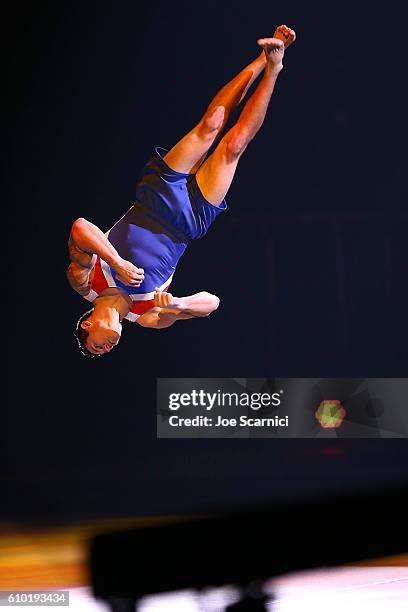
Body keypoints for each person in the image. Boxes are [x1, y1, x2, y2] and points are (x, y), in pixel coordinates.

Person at [67, 25, 296, 357]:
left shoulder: (85, 282)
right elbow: (211, 303)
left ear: (87, 325)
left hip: (155, 198)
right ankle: (274, 67)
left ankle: (261, 58)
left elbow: (80, 227)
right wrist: (178, 304)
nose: (107, 347)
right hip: (188, 222)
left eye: (97, 346)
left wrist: (116, 261)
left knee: (211, 126)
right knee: (233, 146)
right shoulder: (144, 315)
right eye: (106, 351)